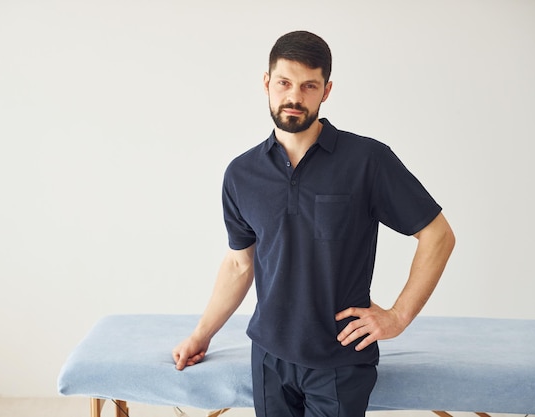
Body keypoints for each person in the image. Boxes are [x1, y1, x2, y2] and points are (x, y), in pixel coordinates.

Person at [172, 30, 455, 417]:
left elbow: (437, 234)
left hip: (340, 359)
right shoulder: (241, 174)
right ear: (267, 83)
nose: (294, 96)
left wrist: (399, 315)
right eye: (285, 83)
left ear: (327, 90)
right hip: (269, 356)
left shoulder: (367, 160)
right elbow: (240, 263)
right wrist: (200, 335)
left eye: (309, 86)